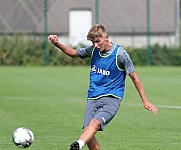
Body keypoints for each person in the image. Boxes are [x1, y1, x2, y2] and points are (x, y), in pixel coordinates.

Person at [48, 24, 158, 150]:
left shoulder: (120, 54)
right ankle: (81, 142)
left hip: (112, 97)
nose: (96, 45)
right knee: (87, 131)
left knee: (94, 124)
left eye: (98, 41)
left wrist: (145, 101)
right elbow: (74, 53)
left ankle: (78, 145)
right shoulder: (94, 50)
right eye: (93, 42)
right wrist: (57, 44)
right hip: (92, 96)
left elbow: (134, 77)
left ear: (106, 37)